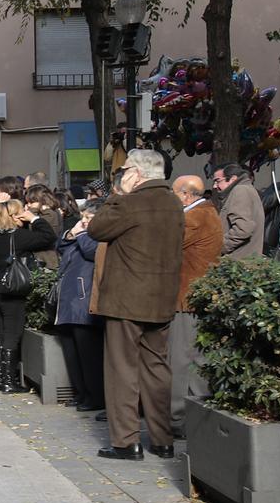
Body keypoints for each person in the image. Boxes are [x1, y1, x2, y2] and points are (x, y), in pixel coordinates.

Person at [88, 149, 184, 461]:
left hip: (126, 299)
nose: (121, 174)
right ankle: (162, 439)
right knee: (157, 368)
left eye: (125, 169)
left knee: (122, 369)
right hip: (161, 297)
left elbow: (96, 228)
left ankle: (126, 442)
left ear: (136, 174)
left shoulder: (129, 202)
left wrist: (117, 195)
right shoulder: (173, 203)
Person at [169, 175, 223, 438]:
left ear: (186, 195)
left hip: (186, 299)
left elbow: (167, 243)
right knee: (191, 359)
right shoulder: (204, 212)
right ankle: (190, 418)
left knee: (182, 360)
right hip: (191, 297)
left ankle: (181, 420)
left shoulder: (195, 216)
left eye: (173, 193)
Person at [0, 199, 56, 393]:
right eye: (21, 211)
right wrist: (34, 218)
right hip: (11, 289)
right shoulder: (18, 236)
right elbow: (48, 237)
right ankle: (8, 382)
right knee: (12, 334)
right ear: (14, 216)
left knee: (0, 333)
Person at [55, 201, 105, 412]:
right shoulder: (81, 235)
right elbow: (62, 247)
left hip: (84, 300)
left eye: (88, 219)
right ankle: (81, 392)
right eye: (82, 218)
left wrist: (82, 234)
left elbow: (90, 251)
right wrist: (70, 234)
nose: (83, 223)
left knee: (89, 354)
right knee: (72, 352)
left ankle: (95, 396)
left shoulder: (99, 238)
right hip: (68, 299)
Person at [212, 163, 265, 259]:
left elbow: (242, 230)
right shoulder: (245, 189)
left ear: (232, 179)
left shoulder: (240, 191)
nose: (215, 186)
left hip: (237, 264)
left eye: (217, 181)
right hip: (241, 263)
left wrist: (217, 248)